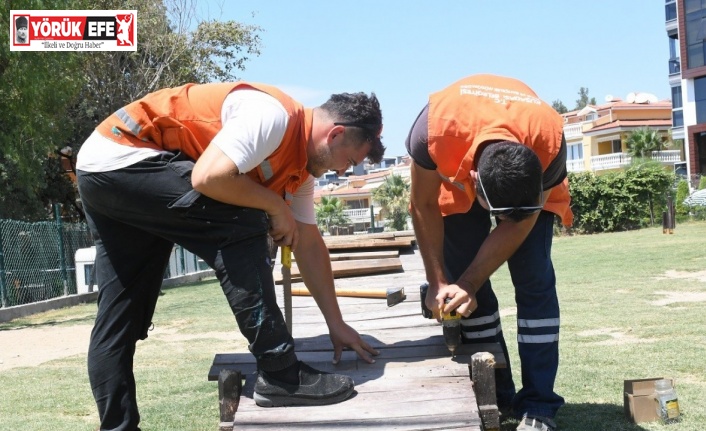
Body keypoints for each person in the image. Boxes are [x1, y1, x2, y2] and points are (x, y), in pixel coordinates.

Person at [76, 81, 384, 430]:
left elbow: (309, 244)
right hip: (126, 156)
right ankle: (281, 373)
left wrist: (336, 323)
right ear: (336, 133)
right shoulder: (273, 117)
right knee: (243, 221)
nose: (344, 171)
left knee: (120, 316)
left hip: (100, 171)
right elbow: (208, 177)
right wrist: (273, 206)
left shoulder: (300, 170)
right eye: (350, 160)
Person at [406, 74, 572, 431]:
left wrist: (468, 279)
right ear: (476, 183)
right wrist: (440, 282)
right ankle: (497, 391)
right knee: (470, 293)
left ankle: (540, 405)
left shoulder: (551, 140)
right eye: (499, 213)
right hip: (457, 169)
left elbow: (520, 223)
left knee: (535, 284)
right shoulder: (432, 130)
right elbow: (422, 204)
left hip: (531, 176)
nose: (504, 221)